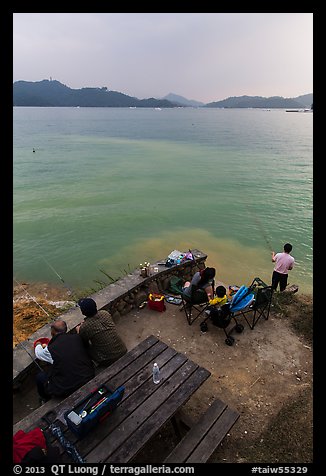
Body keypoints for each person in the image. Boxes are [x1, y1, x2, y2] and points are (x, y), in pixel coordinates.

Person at [36, 320, 95, 403]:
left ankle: (45, 398)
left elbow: (39, 354)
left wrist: (38, 344)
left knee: (40, 376)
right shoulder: (77, 337)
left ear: (53, 331)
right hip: (88, 376)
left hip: (66, 389)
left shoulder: (50, 349)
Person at [76, 298, 127, 367]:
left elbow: (84, 342)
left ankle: (95, 363)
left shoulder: (85, 327)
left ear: (83, 312)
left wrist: (79, 331)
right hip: (122, 350)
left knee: (85, 348)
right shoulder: (105, 313)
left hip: (108, 359)